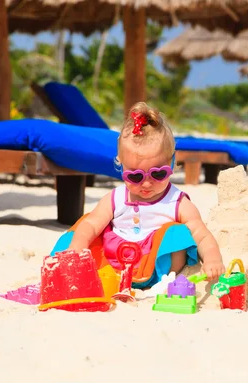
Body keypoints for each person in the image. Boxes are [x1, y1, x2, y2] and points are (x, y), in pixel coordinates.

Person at [68, 102, 225, 284]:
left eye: (158, 174)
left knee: (178, 233)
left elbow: (201, 234)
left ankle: (152, 280)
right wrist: (77, 246)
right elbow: (91, 225)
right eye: (135, 177)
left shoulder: (176, 202)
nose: (147, 183)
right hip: (114, 262)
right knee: (80, 228)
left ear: (172, 163)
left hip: (160, 267)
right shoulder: (115, 198)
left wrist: (213, 259)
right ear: (120, 165)